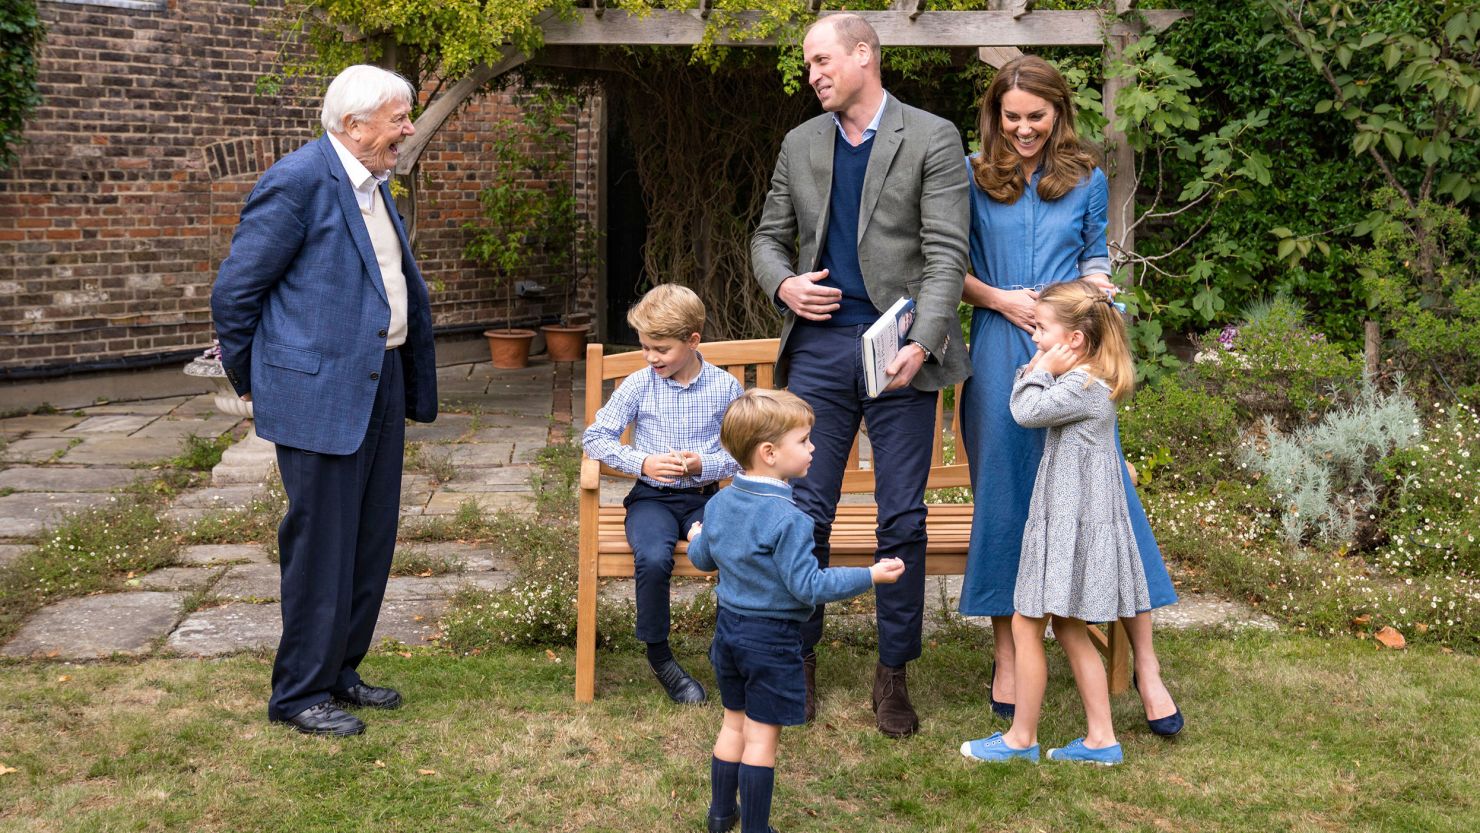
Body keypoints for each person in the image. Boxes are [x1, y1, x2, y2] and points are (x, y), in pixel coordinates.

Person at [750, 12, 970, 738]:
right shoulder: (799, 143)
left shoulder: (932, 136)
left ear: (864, 55)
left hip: (900, 351)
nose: (811, 74)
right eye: (808, 64)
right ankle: (799, 658)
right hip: (817, 350)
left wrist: (926, 341)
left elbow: (945, 255)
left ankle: (893, 672)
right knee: (803, 514)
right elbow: (765, 237)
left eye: (820, 61)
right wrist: (784, 285)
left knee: (901, 516)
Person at [956, 55, 1182, 737]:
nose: (1024, 129)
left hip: (1073, 349)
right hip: (1000, 344)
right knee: (1006, 491)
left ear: (1059, 113)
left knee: (1106, 492)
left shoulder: (1086, 177)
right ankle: (1006, 652)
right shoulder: (970, 175)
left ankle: (1146, 665)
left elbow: (1094, 254)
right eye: (1012, 116)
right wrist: (1003, 299)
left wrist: (1095, 285)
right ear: (995, 114)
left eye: (1036, 116)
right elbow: (950, 266)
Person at [210, 65, 438, 737]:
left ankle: (340, 670)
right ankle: (298, 693)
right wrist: (255, 380)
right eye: (397, 118)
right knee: (320, 545)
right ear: (354, 124)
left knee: (369, 538)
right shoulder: (299, 180)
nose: (407, 128)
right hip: (319, 392)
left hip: (380, 380)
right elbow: (235, 293)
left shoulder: (372, 183)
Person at [688, 389, 905, 833]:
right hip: (771, 642)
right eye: (804, 440)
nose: (813, 448)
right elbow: (809, 586)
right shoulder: (791, 520)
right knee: (762, 738)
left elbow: (703, 560)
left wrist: (698, 535)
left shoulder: (720, 503)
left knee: (733, 725)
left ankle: (720, 815)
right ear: (769, 453)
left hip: (727, 633)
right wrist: (871, 575)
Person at [961, 280, 1147, 765]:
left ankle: (1021, 739)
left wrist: (1039, 366)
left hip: (1068, 526)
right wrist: (1045, 362)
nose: (1035, 338)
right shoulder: (1089, 381)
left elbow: (1023, 410)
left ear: (1075, 341)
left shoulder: (1081, 385)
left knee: (1026, 624)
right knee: (1068, 627)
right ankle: (1101, 740)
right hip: (1071, 520)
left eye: (1043, 330)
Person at [582, 284, 744, 704]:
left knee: (731, 550)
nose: (651, 357)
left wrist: (702, 464)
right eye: (645, 348)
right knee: (653, 557)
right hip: (651, 499)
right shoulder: (639, 385)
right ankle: (660, 657)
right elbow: (595, 438)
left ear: (693, 340)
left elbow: (743, 453)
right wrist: (642, 462)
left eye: (661, 349)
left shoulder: (725, 389)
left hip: (706, 499)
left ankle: (726, 649)